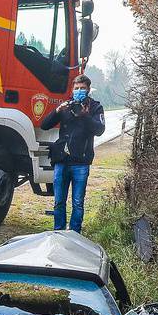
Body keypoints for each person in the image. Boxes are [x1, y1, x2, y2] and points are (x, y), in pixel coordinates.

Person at [39, 74, 106, 233]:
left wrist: (85, 116)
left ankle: (75, 234)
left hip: (81, 162)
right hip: (62, 160)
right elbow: (45, 125)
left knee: (77, 202)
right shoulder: (66, 106)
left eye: (82, 88)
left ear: (88, 90)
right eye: (76, 88)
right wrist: (56, 111)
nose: (79, 91)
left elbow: (100, 130)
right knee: (59, 201)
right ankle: (58, 231)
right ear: (72, 90)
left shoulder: (95, 107)